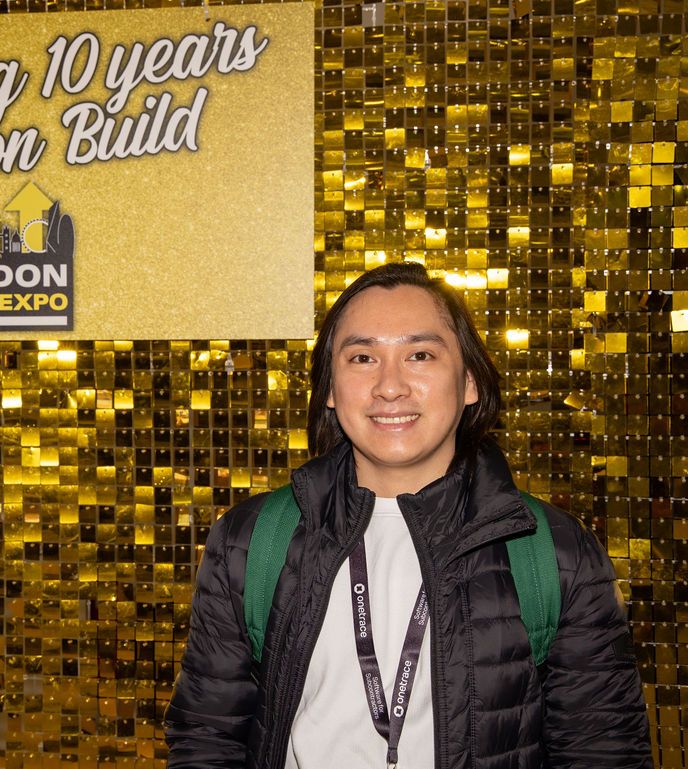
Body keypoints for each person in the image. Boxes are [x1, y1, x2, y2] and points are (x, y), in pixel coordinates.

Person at [164, 262, 652, 769]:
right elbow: (206, 739)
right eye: (362, 358)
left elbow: (602, 750)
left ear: (469, 381)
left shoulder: (553, 551)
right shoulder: (250, 541)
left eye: (420, 355)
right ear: (330, 389)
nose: (390, 386)